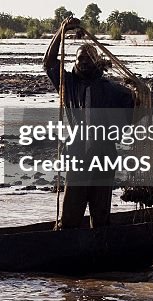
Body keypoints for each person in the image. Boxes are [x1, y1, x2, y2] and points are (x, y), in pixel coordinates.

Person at [43, 16, 134, 229]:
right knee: (70, 218)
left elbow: (146, 106)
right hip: (78, 156)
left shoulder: (111, 89)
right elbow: (48, 62)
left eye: (88, 59)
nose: (83, 62)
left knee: (101, 217)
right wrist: (61, 31)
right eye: (79, 59)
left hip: (104, 157)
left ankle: (99, 251)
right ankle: (66, 250)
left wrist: (143, 92)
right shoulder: (69, 84)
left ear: (97, 62)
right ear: (74, 63)